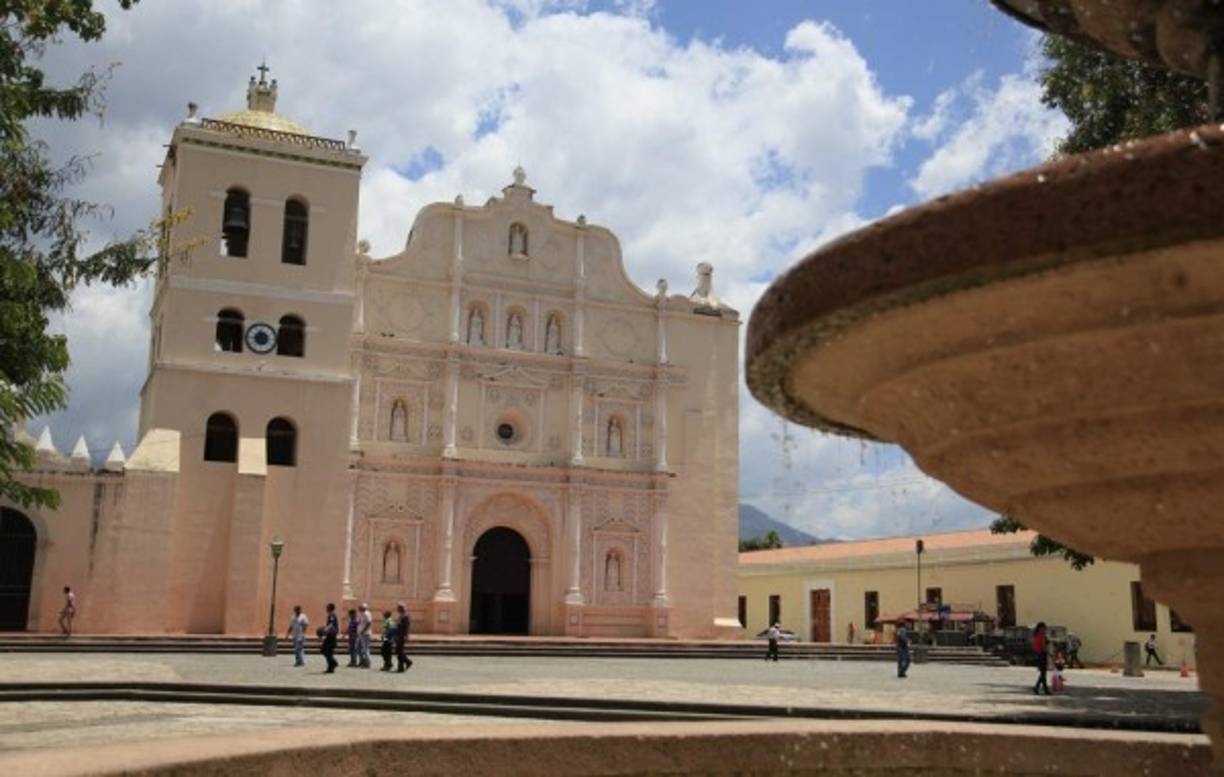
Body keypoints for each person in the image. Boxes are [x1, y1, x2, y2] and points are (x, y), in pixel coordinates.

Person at [321, 603, 339, 674]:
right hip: (330, 635)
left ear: (330, 608)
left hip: (331, 636)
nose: (326, 609)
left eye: (327, 607)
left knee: (324, 650)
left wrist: (325, 630)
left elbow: (331, 624)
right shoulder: (331, 615)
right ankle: (330, 668)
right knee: (329, 652)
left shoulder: (332, 615)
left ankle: (334, 663)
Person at [1033, 621, 1051, 695]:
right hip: (1042, 654)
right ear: (1041, 628)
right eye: (1044, 628)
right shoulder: (1042, 635)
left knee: (1043, 673)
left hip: (1038, 654)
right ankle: (1039, 688)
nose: (1045, 629)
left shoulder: (1036, 635)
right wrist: (1049, 653)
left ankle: (1039, 688)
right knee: (1043, 673)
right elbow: (1043, 646)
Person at [395, 602, 413, 672]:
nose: (397, 609)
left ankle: (405, 664)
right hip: (399, 635)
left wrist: (406, 635)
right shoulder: (401, 615)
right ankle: (404, 664)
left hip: (402, 636)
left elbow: (407, 627)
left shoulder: (406, 616)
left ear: (401, 608)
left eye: (398, 608)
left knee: (399, 651)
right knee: (399, 651)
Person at [358, 603, 373, 668]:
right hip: (362, 633)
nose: (359, 608)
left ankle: (367, 663)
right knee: (363, 649)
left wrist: (363, 631)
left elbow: (369, 623)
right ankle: (364, 662)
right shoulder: (362, 614)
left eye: (360, 607)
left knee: (366, 649)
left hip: (365, 634)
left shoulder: (367, 614)